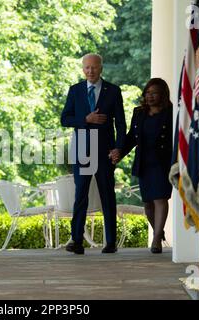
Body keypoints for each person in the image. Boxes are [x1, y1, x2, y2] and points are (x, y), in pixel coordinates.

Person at [61, 53, 126, 255]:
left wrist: (118, 148)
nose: (90, 71)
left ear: (101, 68)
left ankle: (111, 242)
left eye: (94, 67)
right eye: (87, 68)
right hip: (82, 152)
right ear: (83, 69)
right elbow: (65, 119)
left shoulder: (113, 91)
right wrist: (86, 119)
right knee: (80, 195)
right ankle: (77, 241)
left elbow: (121, 124)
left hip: (105, 152)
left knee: (107, 196)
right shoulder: (75, 90)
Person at [113, 78, 173, 254]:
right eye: (147, 92)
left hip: (163, 162)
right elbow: (132, 137)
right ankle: (158, 231)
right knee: (147, 204)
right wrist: (119, 152)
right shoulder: (139, 112)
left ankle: (156, 240)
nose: (149, 96)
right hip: (144, 161)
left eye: (154, 93)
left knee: (160, 199)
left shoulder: (171, 112)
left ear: (162, 94)